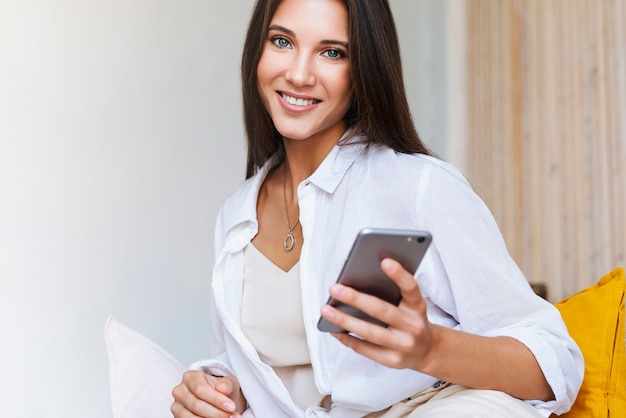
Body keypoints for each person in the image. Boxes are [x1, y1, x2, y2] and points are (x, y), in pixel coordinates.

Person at [171, 0, 583, 417]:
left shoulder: (418, 186)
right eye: (281, 41)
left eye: (332, 52)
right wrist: (218, 391)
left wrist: (430, 347)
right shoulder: (236, 215)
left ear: (364, 68)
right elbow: (243, 362)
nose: (298, 74)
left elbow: (555, 363)